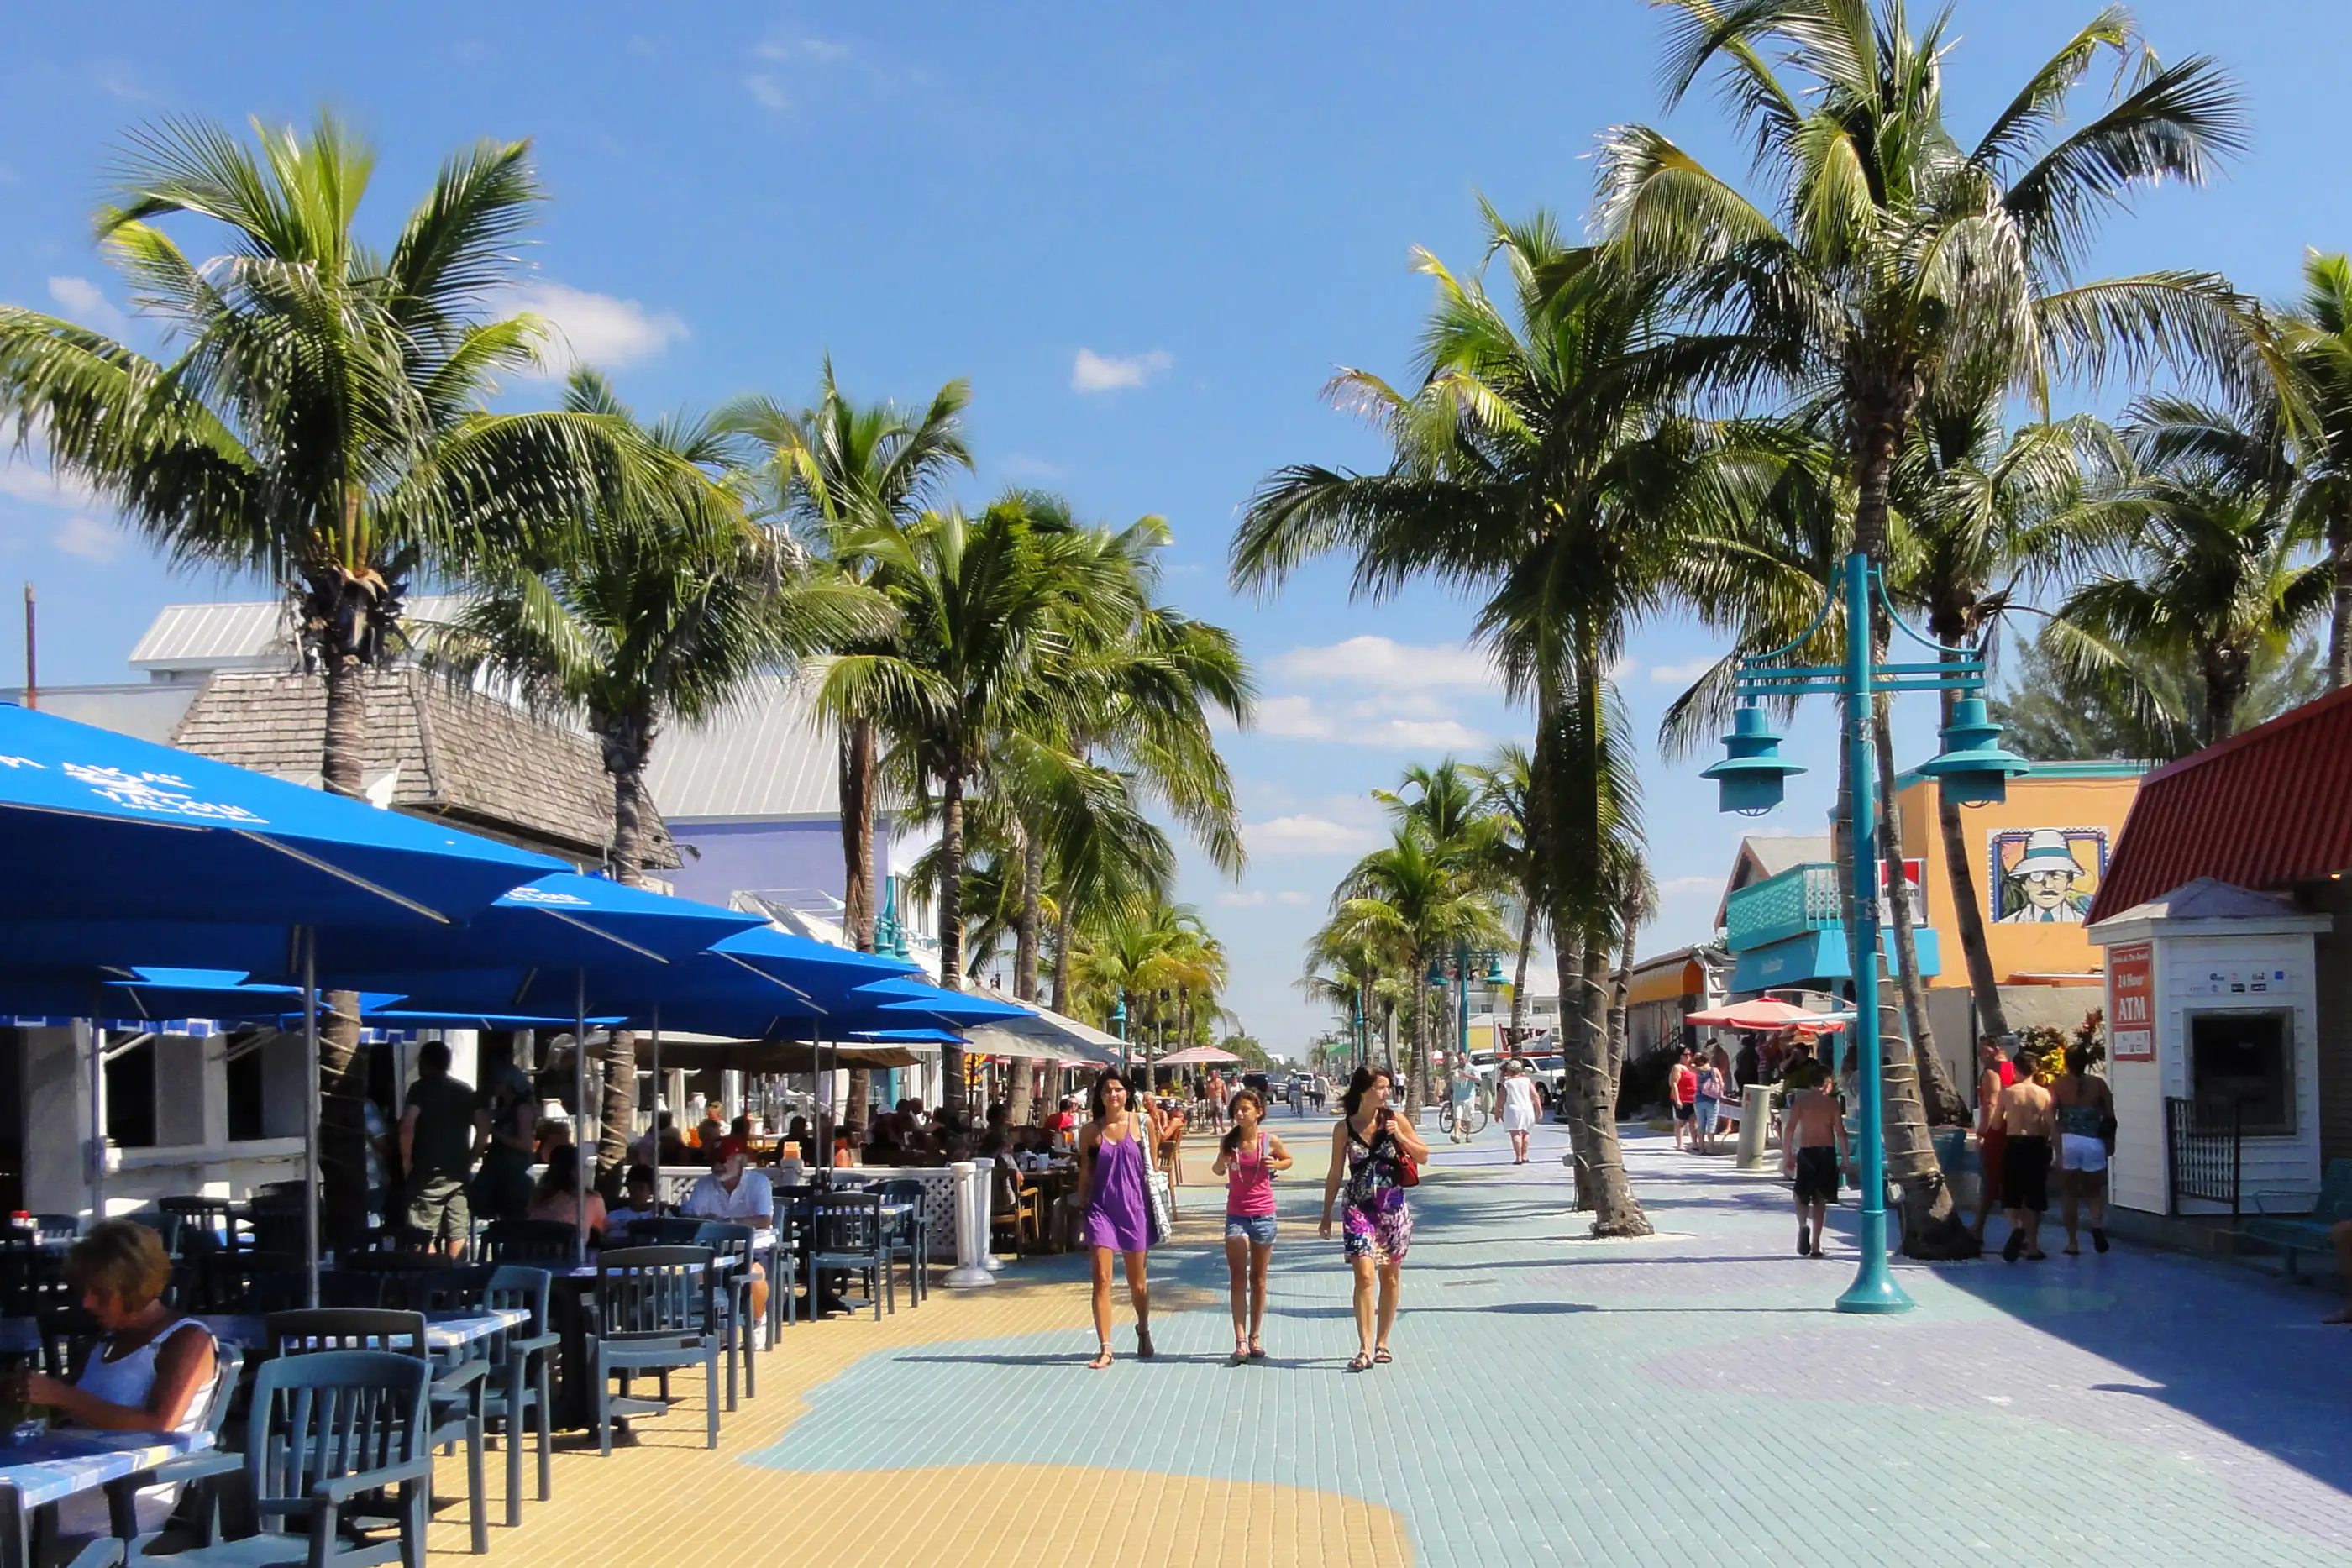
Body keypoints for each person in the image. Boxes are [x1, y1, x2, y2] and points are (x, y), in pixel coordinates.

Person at [12, 1222, 218, 1535]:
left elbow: (158, 1427)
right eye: (86, 1291)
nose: (87, 1303)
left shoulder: (187, 1340)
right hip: (77, 1478)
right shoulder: (108, 1340)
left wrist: (61, 1396)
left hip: (127, 1495)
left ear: (135, 1287)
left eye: (100, 1293)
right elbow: (62, 1407)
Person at [1320, 1065, 1426, 1372]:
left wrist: (1402, 1139)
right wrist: (1326, 1214)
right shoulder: (1344, 1128)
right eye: (1381, 1087)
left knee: (1390, 1277)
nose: (1386, 1093)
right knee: (1365, 1275)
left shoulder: (1395, 1120)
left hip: (1392, 1207)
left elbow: (1423, 1155)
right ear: (1364, 1090)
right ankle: (1364, 1348)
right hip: (1357, 1207)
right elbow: (1335, 1172)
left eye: (1387, 1087)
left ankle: (1382, 1341)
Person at [1078, 1068, 1159, 1369]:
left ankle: (1142, 1325)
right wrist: (1081, 1208)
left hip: (1134, 1209)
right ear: (1100, 1096)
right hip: (1100, 1211)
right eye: (1107, 1090)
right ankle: (1106, 1347)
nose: (1113, 1095)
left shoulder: (1142, 1124)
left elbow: (1151, 1166)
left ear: (1127, 1093)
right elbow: (1085, 1172)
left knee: (1138, 1283)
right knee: (1101, 1279)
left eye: (1118, 1089)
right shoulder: (1090, 1131)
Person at [1211, 1088, 1291, 1362]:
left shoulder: (1268, 1140)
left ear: (1259, 1112)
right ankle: (1240, 1339)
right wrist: (1222, 1162)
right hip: (1237, 1215)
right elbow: (1217, 1170)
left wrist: (1277, 1162)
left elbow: (1288, 1159)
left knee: (1258, 1278)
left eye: (1245, 1109)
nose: (1240, 1114)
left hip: (1264, 1215)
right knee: (1237, 1275)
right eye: (1236, 1110)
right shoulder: (1229, 1142)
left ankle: (1255, 1336)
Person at [400, 1040, 479, 1256]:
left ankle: (430, 1283)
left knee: (423, 1232)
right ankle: (456, 1285)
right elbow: (484, 1125)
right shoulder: (464, 1091)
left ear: (424, 1063)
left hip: (427, 1171)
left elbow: (407, 1123)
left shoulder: (420, 1089)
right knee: (458, 1232)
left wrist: (406, 1161)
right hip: (458, 1173)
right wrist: (472, 1157)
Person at [684, 1142, 774, 1324]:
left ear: (739, 1160)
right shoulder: (704, 1184)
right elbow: (689, 1217)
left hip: (752, 1248)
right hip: (711, 1250)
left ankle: (758, 1320)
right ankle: (708, 1324)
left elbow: (764, 1220)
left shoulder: (758, 1182)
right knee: (690, 1272)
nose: (717, 1166)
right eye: (714, 1161)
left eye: (722, 1160)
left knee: (754, 1273)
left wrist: (728, 1223)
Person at [1994, 1047, 2058, 1262]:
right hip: (2037, 1145)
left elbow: (1995, 1124)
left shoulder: (2007, 1092)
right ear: (2035, 1069)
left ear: (2015, 1069)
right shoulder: (2044, 1094)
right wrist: (2059, 1152)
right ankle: (2032, 1247)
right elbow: (2052, 1125)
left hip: (2014, 1144)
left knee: (2010, 1196)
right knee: (2034, 1198)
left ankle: (2017, 1228)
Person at [1781, 1062, 1849, 1257]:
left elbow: (1790, 1129)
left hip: (1807, 1151)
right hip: (1826, 1152)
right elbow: (1841, 1133)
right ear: (1827, 1083)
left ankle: (1803, 1225)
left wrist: (1788, 1155)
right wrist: (1844, 1159)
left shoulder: (1801, 1103)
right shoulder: (1832, 1104)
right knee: (1820, 1200)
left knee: (1800, 1195)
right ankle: (1817, 1244)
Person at [2051, 1043, 2113, 1256]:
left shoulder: (2058, 1085)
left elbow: (2050, 1116)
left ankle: (2072, 1242)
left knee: (2068, 1192)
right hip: (2093, 1141)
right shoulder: (2099, 1084)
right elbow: (2110, 1117)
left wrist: (2055, 1145)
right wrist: (2110, 1143)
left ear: (2066, 1063)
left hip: (2068, 1141)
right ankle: (2096, 1225)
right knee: (2094, 1192)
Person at [472, 1062, 539, 1225]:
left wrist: (497, 1134)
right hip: (500, 1171)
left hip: (514, 1173)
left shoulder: (522, 1108)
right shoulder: (504, 1106)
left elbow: (525, 1144)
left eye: (497, 1082)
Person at [1970, 1036, 2019, 1241]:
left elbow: (1990, 1104)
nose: (1981, 1056)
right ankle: (2021, 1230)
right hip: (2013, 1128)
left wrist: (1982, 1133)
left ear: (1996, 1049)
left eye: (1985, 1051)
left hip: (1996, 1131)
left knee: (1989, 1181)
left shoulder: (1990, 1074)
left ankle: (1979, 1228)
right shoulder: (2013, 1070)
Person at [527, 1146, 606, 1240]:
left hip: (532, 1252)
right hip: (571, 1252)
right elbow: (603, 1231)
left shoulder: (538, 1195)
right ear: (575, 1171)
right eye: (584, 1167)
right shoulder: (591, 1199)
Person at [1496, 1058, 1541, 1165]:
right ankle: (1525, 1156)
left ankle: (1518, 1157)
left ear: (1510, 1071)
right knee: (1526, 1133)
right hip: (1527, 1108)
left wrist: (1498, 1111)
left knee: (1516, 1133)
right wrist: (1539, 1110)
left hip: (1513, 1109)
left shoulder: (1507, 1083)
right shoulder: (1527, 1080)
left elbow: (1500, 1099)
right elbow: (1535, 1096)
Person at [603, 1165, 660, 1234]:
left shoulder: (658, 1215)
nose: (636, 1192)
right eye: (633, 1187)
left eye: (641, 1188)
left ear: (651, 1190)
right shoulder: (614, 1216)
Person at [1693, 1052, 1726, 1154]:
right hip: (1712, 1100)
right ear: (1709, 1060)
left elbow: (1690, 1064)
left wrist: (1696, 1057)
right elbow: (1722, 1084)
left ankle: (1701, 1148)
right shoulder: (1714, 1070)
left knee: (1701, 1123)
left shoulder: (1696, 1070)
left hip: (1699, 1100)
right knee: (1711, 1123)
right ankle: (1711, 1148)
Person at [1668, 1046, 1698, 1151]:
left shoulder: (1693, 1067)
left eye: (1690, 1054)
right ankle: (1679, 1144)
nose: (1688, 1057)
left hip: (1693, 1097)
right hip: (1682, 1097)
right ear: (1681, 1056)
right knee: (1681, 1122)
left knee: (1693, 1121)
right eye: (1686, 1055)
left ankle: (1695, 1143)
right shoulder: (1678, 1067)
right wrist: (1678, 1099)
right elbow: (1674, 1084)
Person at [1446, 1057, 1479, 1145]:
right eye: (1459, 1059)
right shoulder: (1455, 1069)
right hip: (1457, 1097)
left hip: (1469, 1097)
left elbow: (1478, 1080)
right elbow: (1447, 1079)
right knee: (1457, 1116)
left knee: (1468, 1117)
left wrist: (1466, 1076)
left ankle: (1468, 1135)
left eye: (1462, 1059)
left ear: (1466, 1059)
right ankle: (1457, 1136)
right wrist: (1451, 1075)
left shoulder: (1472, 1069)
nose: (1461, 1061)